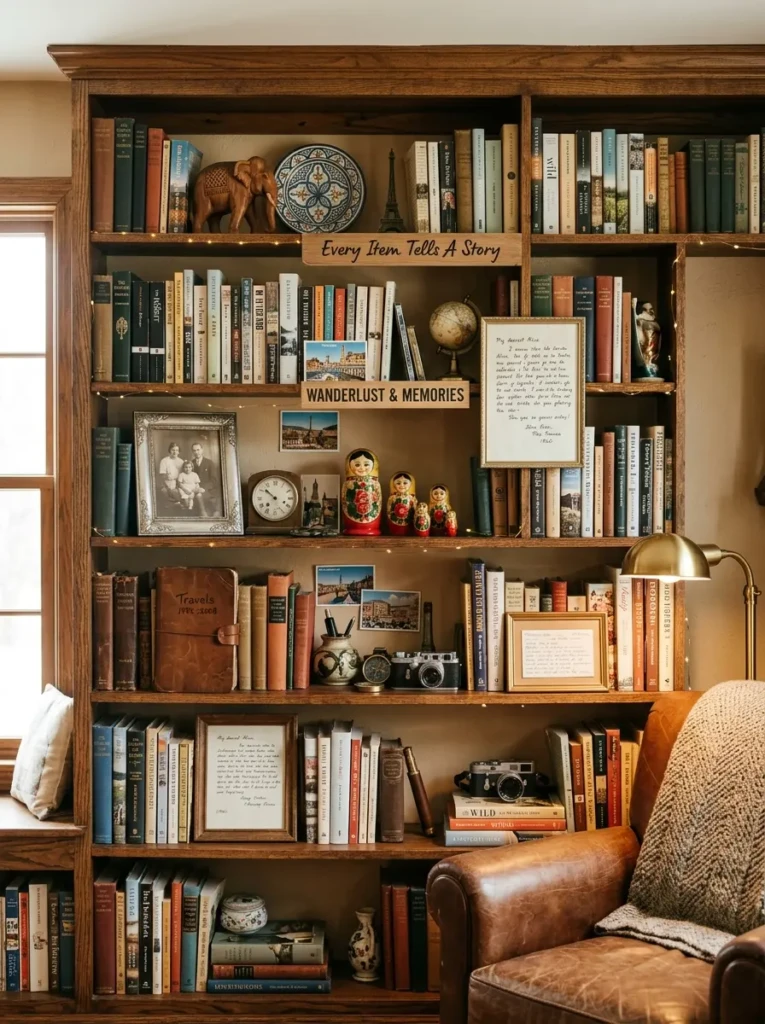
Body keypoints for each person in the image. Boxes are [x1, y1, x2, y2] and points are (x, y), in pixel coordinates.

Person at [190, 441, 221, 517]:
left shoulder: (209, 462)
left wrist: (204, 488)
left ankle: (206, 513)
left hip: (209, 489)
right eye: (194, 450)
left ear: (202, 450)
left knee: (203, 496)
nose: (196, 452)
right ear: (192, 452)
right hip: (195, 489)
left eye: (198, 450)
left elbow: (214, 480)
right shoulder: (191, 464)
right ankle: (203, 513)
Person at [158, 442, 183, 509]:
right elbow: (162, 475)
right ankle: (170, 505)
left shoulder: (181, 462)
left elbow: (183, 476)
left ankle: (178, 503)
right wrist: (167, 477)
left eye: (177, 450)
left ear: (179, 452)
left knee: (177, 492)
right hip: (166, 483)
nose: (175, 452)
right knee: (164, 491)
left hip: (178, 484)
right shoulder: (164, 460)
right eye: (173, 450)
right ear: (169, 450)